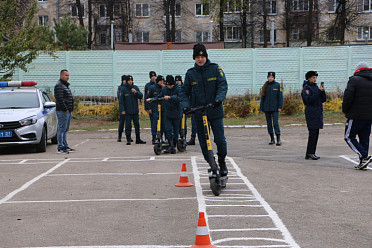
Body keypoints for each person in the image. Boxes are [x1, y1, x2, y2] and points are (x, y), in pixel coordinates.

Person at [179, 43, 228, 177]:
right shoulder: (190, 74)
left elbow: (222, 85)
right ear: (194, 58)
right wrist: (186, 106)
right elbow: (184, 92)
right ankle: (212, 163)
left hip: (214, 110)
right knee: (204, 142)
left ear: (205, 56)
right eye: (197, 57)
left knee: (220, 140)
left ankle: (222, 161)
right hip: (198, 112)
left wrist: (219, 99)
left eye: (202, 56)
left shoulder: (215, 69)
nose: (200, 59)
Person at [342, 62, 372, 170]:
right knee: (364, 138)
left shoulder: (354, 80)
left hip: (355, 115)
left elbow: (348, 97)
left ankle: (364, 156)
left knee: (349, 137)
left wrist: (345, 110)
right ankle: (363, 162)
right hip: (369, 116)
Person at [301, 71, 326, 160]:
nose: (315, 79)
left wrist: (322, 91)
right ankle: (310, 152)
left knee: (316, 133)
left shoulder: (315, 87)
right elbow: (309, 100)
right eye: (313, 78)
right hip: (311, 112)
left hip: (318, 111)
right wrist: (318, 92)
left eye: (315, 77)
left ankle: (311, 152)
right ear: (309, 78)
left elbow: (323, 99)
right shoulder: (306, 89)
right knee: (312, 133)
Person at [120, 75, 146, 145]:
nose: (130, 82)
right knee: (128, 125)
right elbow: (121, 101)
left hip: (135, 111)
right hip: (127, 111)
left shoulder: (135, 87)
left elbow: (141, 96)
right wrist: (122, 110)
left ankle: (138, 138)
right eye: (129, 81)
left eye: (131, 80)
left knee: (137, 125)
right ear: (127, 81)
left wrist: (136, 92)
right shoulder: (124, 89)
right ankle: (128, 139)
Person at [54, 69, 75, 154]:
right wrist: (65, 108)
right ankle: (60, 147)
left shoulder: (65, 85)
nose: (67, 77)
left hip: (68, 110)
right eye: (66, 75)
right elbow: (59, 99)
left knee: (65, 129)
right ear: (61, 76)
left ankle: (65, 145)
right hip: (63, 111)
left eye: (68, 75)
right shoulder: (59, 86)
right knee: (61, 129)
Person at [260, 72, 283, 145]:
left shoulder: (277, 85)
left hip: (275, 108)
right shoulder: (265, 86)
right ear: (267, 78)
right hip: (267, 108)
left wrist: (280, 107)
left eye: (272, 77)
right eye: (269, 77)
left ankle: (278, 139)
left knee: (275, 123)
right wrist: (261, 107)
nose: (270, 78)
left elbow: (280, 97)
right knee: (269, 124)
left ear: (274, 78)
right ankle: (272, 139)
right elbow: (262, 98)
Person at [159, 75, 181, 154]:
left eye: (170, 85)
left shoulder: (178, 89)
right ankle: (171, 146)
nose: (169, 87)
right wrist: (152, 99)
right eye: (168, 85)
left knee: (176, 131)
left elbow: (180, 98)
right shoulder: (165, 89)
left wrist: (171, 97)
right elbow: (160, 96)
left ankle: (174, 145)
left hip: (176, 113)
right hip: (168, 113)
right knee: (168, 130)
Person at [147, 75, 166, 141]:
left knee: (163, 123)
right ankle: (154, 137)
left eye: (163, 81)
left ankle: (160, 137)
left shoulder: (164, 88)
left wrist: (164, 88)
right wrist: (149, 108)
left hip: (163, 108)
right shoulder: (152, 88)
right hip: (154, 107)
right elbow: (148, 98)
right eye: (161, 81)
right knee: (155, 123)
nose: (162, 82)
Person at [145, 71, 157, 144]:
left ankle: (159, 136)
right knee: (153, 123)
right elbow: (146, 98)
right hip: (151, 107)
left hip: (158, 107)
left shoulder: (158, 85)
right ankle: (154, 137)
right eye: (152, 76)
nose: (153, 77)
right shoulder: (148, 86)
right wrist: (147, 108)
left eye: (154, 76)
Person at [117, 75, 127, 142]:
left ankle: (128, 136)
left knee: (128, 123)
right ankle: (119, 136)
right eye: (124, 80)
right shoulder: (120, 88)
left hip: (128, 107)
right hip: (122, 107)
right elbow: (119, 97)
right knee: (121, 122)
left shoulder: (128, 87)